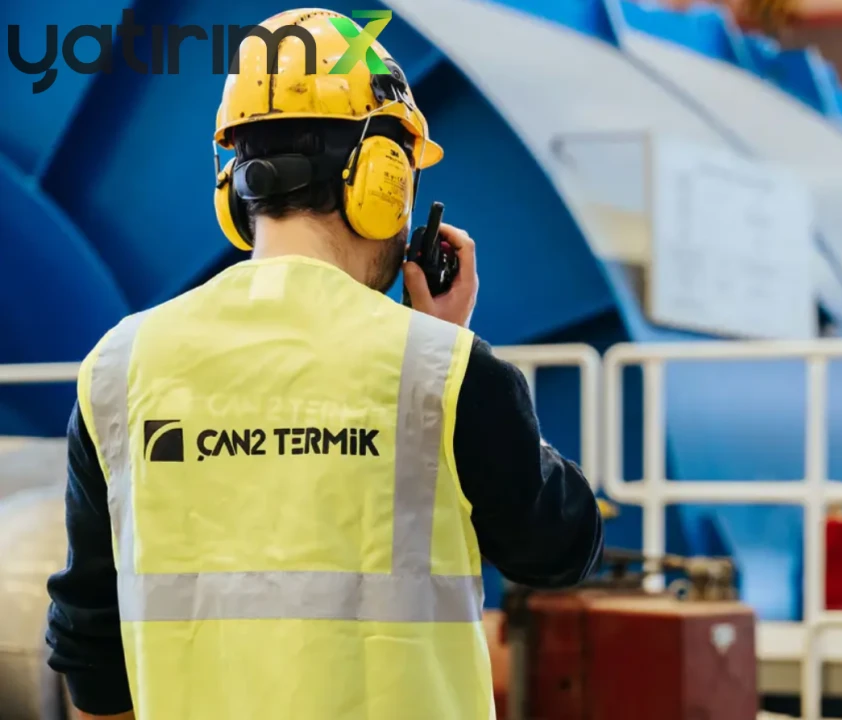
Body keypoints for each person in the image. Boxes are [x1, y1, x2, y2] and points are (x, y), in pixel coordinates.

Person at [44, 10, 603, 720]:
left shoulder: (119, 369)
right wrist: (448, 346)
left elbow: (90, 654)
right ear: (384, 178)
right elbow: (562, 548)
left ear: (233, 187)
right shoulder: (444, 373)